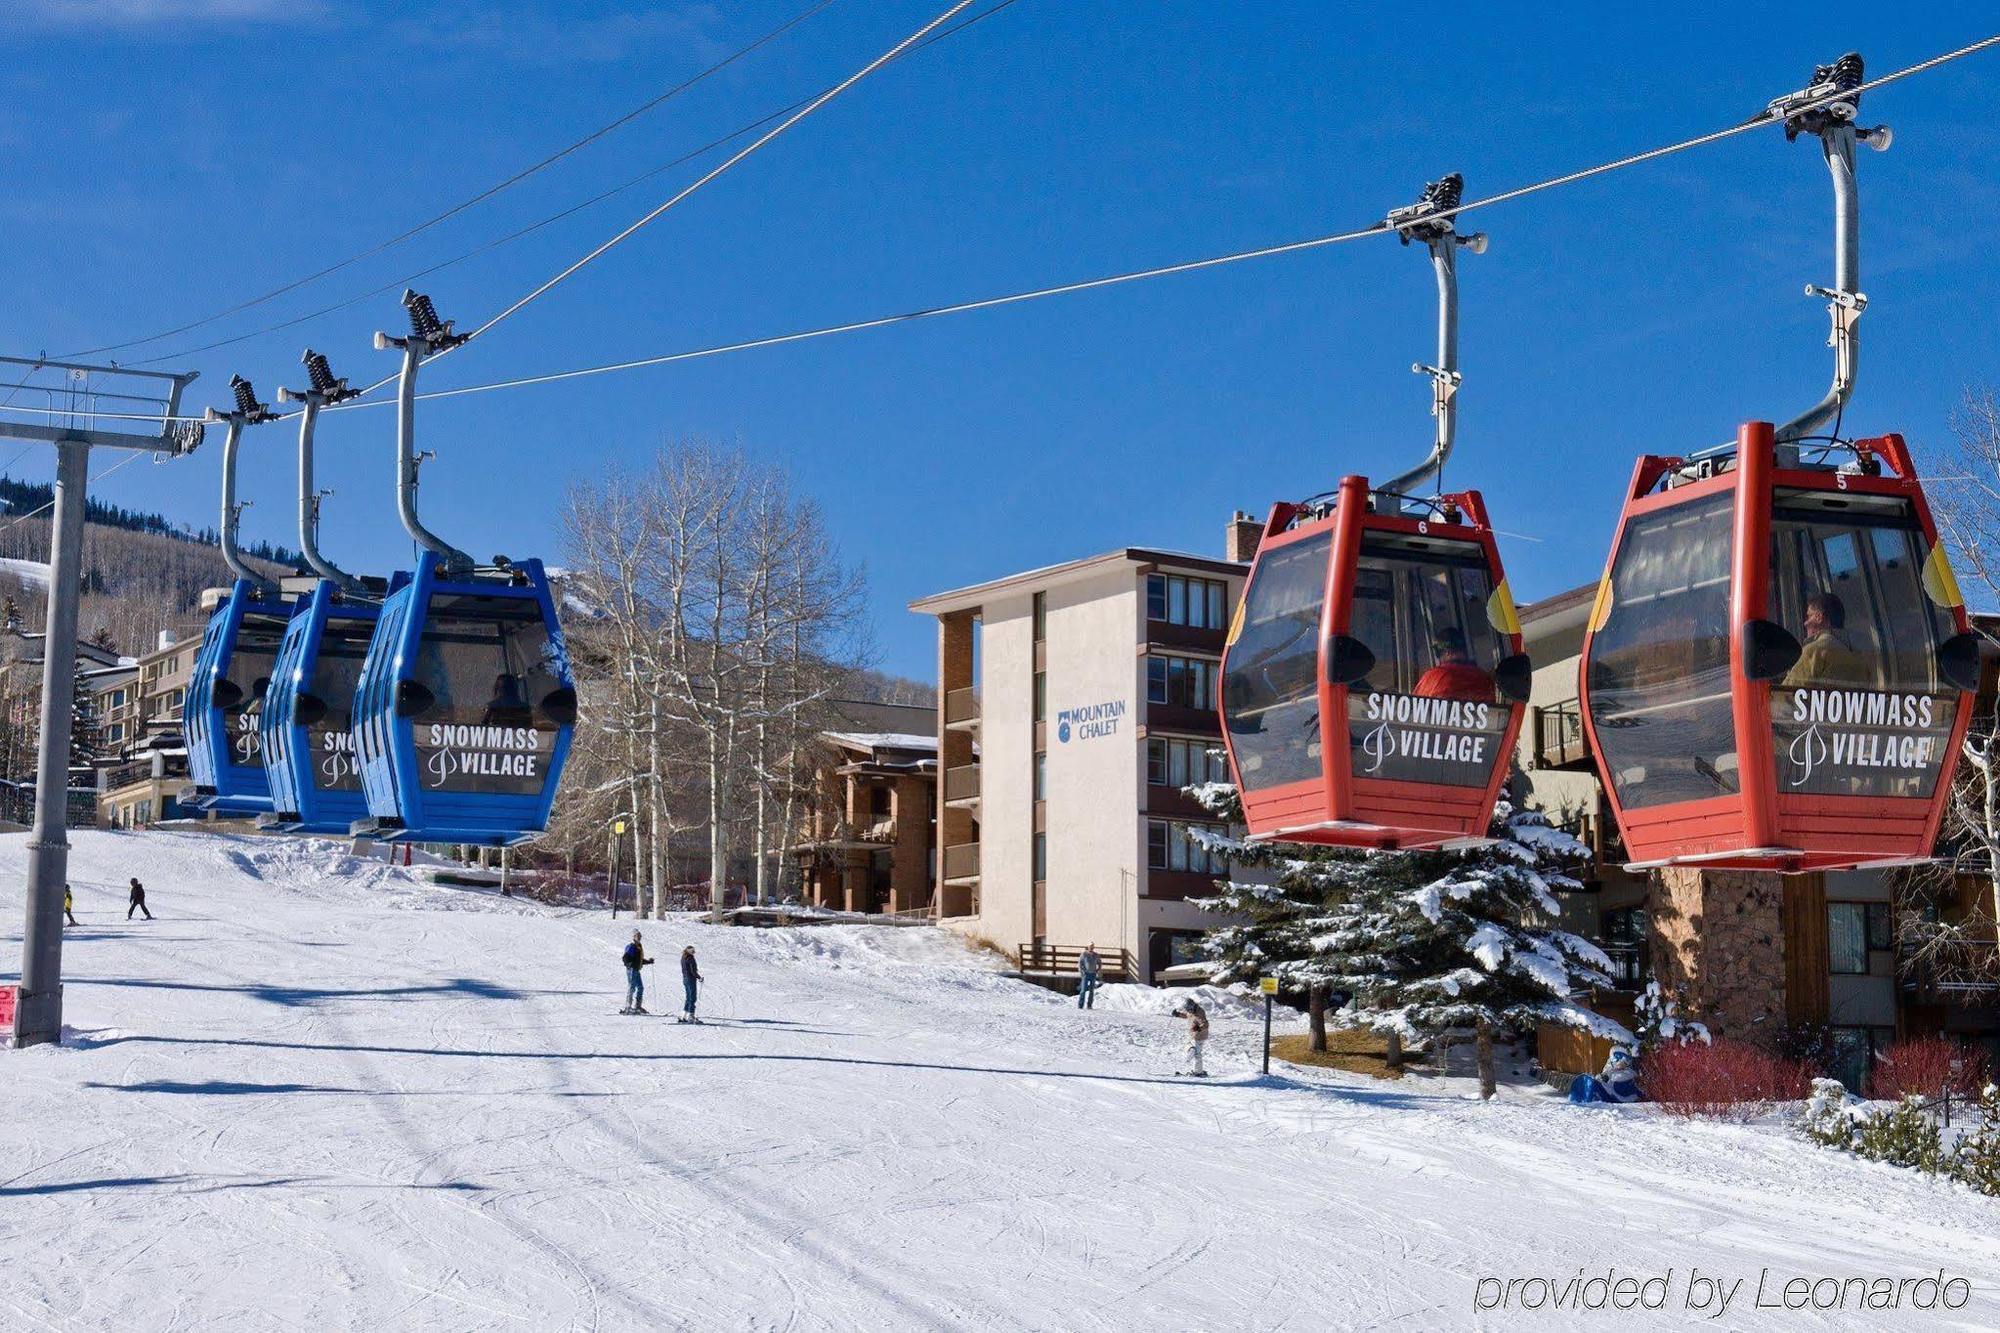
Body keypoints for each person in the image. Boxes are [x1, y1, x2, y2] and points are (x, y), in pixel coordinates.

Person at [1784, 591, 1867, 687]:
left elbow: (1785, 694)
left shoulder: (1814, 651)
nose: (1805, 623)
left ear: (1819, 617)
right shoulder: (1859, 659)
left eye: (1809, 616)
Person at [1413, 628, 1494, 700]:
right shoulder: (1483, 678)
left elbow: (1414, 710)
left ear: (1447, 652)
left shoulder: (1433, 677)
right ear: (1463, 650)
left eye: (1438, 654)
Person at [1171, 996, 1210, 1077]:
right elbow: (1187, 1015)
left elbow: (1205, 1024)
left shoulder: (1199, 1013)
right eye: (1187, 1009)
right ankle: (1191, 1049)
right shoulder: (1191, 1010)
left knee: (1197, 1054)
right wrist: (1178, 1014)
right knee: (1190, 1047)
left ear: (1192, 1006)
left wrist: (1198, 1027)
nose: (1189, 1011)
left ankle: (1198, 1072)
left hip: (1200, 1035)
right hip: (1193, 1034)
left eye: (1189, 1009)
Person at [621, 930, 652, 1015]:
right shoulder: (632, 946)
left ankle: (638, 1006)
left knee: (641, 987)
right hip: (631, 970)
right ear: (633, 937)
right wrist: (629, 964)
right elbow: (625, 958)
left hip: (636, 970)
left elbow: (639, 960)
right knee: (632, 987)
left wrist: (649, 961)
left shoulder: (638, 946)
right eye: (637, 936)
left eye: (640, 935)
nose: (639, 937)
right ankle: (628, 1006)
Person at [679, 945, 704, 1024]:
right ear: (689, 951)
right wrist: (699, 977)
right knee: (692, 997)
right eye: (692, 951)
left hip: (685, 979)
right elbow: (693, 971)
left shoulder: (683, 957)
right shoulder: (690, 958)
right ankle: (691, 1016)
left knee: (688, 997)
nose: (694, 952)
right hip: (690, 979)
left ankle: (683, 1015)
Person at [1076, 943, 1102, 1010]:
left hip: (1093, 974)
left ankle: (1089, 1005)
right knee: (1083, 990)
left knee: (1091, 990)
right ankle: (1080, 1005)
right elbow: (1080, 963)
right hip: (1086, 974)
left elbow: (1099, 963)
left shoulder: (1096, 955)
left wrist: (1097, 970)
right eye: (1090, 947)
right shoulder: (1084, 954)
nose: (1091, 948)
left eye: (1092, 947)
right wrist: (1082, 972)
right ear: (1087, 947)